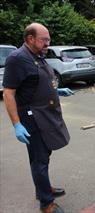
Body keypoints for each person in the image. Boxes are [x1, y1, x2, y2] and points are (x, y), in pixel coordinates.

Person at [2, 23, 74, 213]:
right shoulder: (17, 58)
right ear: (30, 39)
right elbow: (9, 93)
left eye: (48, 39)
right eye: (44, 40)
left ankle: (43, 188)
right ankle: (46, 203)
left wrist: (56, 90)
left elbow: (35, 82)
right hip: (33, 118)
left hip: (46, 114)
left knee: (44, 154)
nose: (47, 43)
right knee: (39, 159)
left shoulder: (38, 55)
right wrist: (17, 124)